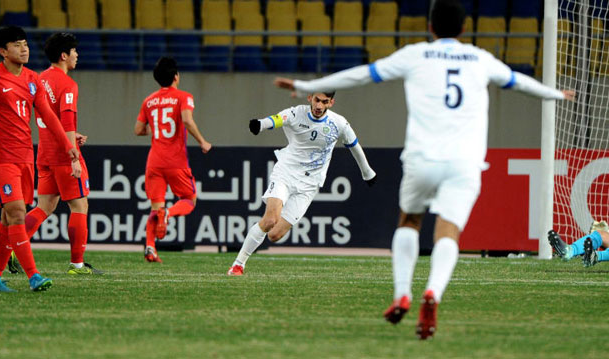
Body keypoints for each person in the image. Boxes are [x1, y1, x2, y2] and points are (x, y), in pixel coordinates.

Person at [274, 0, 575, 340]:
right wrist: (554, 94)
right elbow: (518, 81)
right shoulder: (479, 58)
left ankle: (402, 292)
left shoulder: (416, 55)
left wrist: (307, 86)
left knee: (410, 221)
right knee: (448, 232)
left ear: (430, 27)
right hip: (465, 161)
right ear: (464, 29)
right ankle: (432, 292)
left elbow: (363, 74)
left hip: (422, 158)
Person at [0, 26, 79, 292]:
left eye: (25, 44)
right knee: (17, 213)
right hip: (0, 157)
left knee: (8, 219)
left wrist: (68, 145)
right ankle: (34, 276)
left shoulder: (33, 79)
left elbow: (48, 116)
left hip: (25, 157)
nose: (24, 48)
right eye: (17, 45)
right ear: (3, 51)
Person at [227, 91, 377, 276]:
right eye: (316, 100)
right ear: (309, 98)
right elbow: (277, 119)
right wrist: (261, 124)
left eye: (324, 102)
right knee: (270, 220)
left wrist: (367, 172)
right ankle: (238, 264)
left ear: (331, 103)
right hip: (286, 173)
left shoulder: (339, 124)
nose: (319, 106)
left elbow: (354, 145)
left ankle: (242, 259)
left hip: (309, 185)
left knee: (275, 235)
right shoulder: (297, 113)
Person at [15, 32, 101, 275]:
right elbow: (66, 119)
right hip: (64, 154)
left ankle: (14, 247)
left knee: (45, 206)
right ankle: (77, 265)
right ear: (64, 55)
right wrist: (73, 154)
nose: (77, 55)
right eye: (74, 51)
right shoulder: (68, 84)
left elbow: (49, 119)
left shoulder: (39, 79)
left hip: (44, 152)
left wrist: (71, 136)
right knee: (79, 206)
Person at [134, 57, 212, 263]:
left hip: (154, 160)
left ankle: (150, 247)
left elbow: (138, 130)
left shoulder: (148, 101)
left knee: (154, 207)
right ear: (176, 76)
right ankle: (168, 213)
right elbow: (186, 119)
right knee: (189, 200)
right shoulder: (183, 97)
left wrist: (157, 130)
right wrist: (203, 141)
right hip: (175, 160)